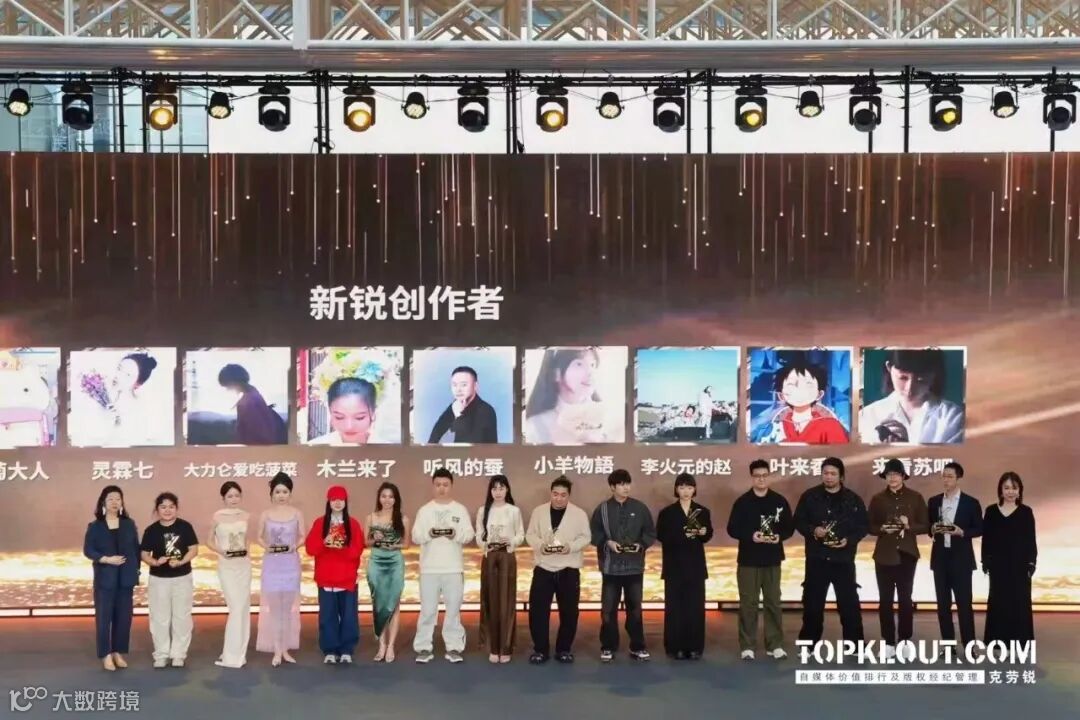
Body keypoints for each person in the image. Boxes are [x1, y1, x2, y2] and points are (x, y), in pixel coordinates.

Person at [726, 459, 795, 660]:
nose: (761, 479)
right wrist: (751, 535)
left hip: (772, 559)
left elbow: (789, 527)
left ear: (769, 476)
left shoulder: (779, 501)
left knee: (773, 602)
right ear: (752, 477)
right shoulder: (742, 502)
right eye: (757, 476)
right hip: (748, 560)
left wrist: (778, 537)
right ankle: (747, 645)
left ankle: (775, 644)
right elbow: (732, 528)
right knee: (748, 603)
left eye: (764, 475)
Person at [794, 457, 868, 643]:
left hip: (843, 560)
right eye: (825, 473)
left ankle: (855, 645)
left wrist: (848, 541)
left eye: (833, 474)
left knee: (849, 605)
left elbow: (863, 526)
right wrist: (813, 530)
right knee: (812, 605)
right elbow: (799, 521)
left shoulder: (853, 500)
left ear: (841, 477)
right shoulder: (810, 497)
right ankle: (808, 644)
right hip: (817, 559)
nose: (828, 477)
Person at [591, 468, 656, 662]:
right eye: (621, 484)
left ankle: (637, 646)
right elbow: (594, 534)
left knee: (635, 608)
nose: (625, 487)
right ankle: (608, 646)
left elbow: (650, 532)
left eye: (627, 483)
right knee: (608, 610)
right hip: (610, 568)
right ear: (612, 487)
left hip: (634, 567)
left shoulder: (640, 508)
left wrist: (640, 545)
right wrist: (607, 543)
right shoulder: (602, 509)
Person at [525, 476, 591, 664]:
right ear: (550, 493)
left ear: (569, 495)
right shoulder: (539, 511)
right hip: (543, 567)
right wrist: (540, 545)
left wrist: (570, 547)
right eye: (555, 494)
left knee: (569, 612)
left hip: (569, 568)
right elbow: (530, 535)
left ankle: (564, 649)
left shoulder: (579, 514)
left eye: (563, 495)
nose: (559, 498)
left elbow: (586, 537)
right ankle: (540, 649)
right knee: (538, 610)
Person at [868, 458, 929, 660]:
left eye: (896, 474)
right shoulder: (877, 499)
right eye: (889, 474)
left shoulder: (915, 497)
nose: (892, 478)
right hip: (884, 555)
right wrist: (882, 529)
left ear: (903, 476)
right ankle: (888, 642)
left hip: (907, 554)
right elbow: (870, 526)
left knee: (905, 600)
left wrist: (909, 525)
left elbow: (926, 525)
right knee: (885, 600)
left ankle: (904, 641)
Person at [412, 468, 475, 663]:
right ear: (433, 486)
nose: (442, 488)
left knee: (453, 609)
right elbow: (415, 536)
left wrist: (455, 534)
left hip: (453, 568)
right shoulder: (425, 510)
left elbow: (469, 534)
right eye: (438, 484)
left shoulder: (459, 509)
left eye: (445, 485)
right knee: (428, 610)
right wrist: (429, 534)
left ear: (451, 486)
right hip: (429, 569)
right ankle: (423, 647)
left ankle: (454, 647)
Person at [305, 485, 366, 665]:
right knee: (327, 615)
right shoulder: (320, 523)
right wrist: (325, 542)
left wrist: (342, 546)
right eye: (334, 499)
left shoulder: (353, 524)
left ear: (345, 502)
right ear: (329, 502)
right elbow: (310, 549)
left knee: (349, 616)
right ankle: (330, 649)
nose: (337, 502)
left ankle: (347, 649)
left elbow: (357, 550)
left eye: (341, 499)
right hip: (326, 578)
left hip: (347, 578)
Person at [656, 473, 714, 659]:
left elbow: (707, 535)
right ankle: (675, 647)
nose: (686, 491)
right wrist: (682, 533)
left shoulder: (702, 511)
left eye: (689, 487)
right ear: (676, 489)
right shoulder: (667, 512)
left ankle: (694, 647)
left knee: (695, 608)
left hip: (695, 566)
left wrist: (703, 532)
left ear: (694, 489)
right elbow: (661, 535)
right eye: (682, 487)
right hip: (674, 566)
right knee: (675, 608)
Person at [83, 485, 140, 671]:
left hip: (125, 579)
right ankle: (105, 654)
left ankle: (118, 652)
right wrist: (106, 559)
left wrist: (136, 571)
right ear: (103, 503)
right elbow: (88, 550)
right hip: (105, 579)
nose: (115, 502)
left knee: (124, 618)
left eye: (118, 499)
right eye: (110, 499)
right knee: (104, 618)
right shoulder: (95, 526)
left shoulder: (129, 524)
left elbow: (136, 549)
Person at [926, 462, 982, 652]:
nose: (946, 480)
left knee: (964, 605)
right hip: (940, 560)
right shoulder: (934, 501)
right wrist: (932, 528)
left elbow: (980, 528)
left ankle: (969, 646)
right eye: (944, 476)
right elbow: (928, 526)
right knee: (943, 606)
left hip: (962, 561)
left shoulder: (971, 503)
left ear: (958, 478)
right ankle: (948, 646)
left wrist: (962, 532)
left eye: (950, 476)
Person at [140, 492, 199, 669]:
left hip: (182, 577)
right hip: (159, 579)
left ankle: (179, 654)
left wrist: (181, 561)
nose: (167, 510)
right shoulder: (151, 530)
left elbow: (194, 549)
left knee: (182, 617)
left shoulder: (185, 527)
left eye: (171, 507)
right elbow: (144, 554)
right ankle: (161, 654)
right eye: (163, 507)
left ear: (176, 508)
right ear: (157, 509)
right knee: (159, 618)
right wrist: (155, 562)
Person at [858, 349, 965, 445]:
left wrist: (906, 446)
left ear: (934, 374)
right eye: (902, 378)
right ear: (889, 368)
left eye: (921, 380)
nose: (909, 389)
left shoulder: (953, 417)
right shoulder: (868, 415)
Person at [475, 475, 525, 663]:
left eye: (501, 488)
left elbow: (520, 535)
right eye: (494, 488)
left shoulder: (514, 511)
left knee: (506, 602)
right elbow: (479, 535)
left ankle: (506, 647)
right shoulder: (483, 511)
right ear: (490, 491)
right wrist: (486, 543)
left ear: (507, 490)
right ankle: (493, 647)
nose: (498, 492)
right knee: (490, 600)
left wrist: (510, 541)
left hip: (507, 557)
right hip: (489, 557)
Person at [982, 471, 1037, 643]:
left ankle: (1021, 642)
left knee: (1020, 603)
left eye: (1014, 488)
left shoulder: (1026, 512)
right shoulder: (991, 511)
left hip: (1020, 567)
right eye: (1006, 488)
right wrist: (986, 561)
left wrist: (1031, 563)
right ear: (1000, 490)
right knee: (998, 603)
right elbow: (986, 539)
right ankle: (997, 642)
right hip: (998, 566)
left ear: (1020, 490)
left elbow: (1031, 540)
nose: (1010, 492)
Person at [256, 472, 304, 666]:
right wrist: (266, 546)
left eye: (285, 491)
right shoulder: (265, 514)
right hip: (272, 564)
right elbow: (259, 537)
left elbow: (303, 536)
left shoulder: (297, 513)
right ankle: (277, 650)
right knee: (275, 610)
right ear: (272, 494)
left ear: (290, 493)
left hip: (290, 564)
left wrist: (295, 546)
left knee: (287, 610)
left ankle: (285, 649)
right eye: (277, 492)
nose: (281, 495)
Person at [206, 481, 252, 669]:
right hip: (226, 565)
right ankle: (231, 654)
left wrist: (247, 552)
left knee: (243, 607)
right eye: (230, 496)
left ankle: (239, 651)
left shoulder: (246, 516)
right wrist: (222, 551)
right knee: (236, 607)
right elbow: (209, 541)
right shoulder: (217, 516)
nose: (234, 499)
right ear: (223, 498)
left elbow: (247, 540)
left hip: (243, 565)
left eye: (236, 495)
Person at [525, 348, 611, 444]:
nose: (590, 372)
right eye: (579, 364)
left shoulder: (608, 418)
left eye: (592, 365)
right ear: (556, 374)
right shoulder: (537, 425)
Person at [753, 358, 849, 445]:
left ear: (819, 394)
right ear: (781, 395)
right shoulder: (773, 428)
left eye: (808, 384)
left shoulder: (831, 425)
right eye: (791, 384)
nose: (800, 390)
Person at [366, 482, 410, 663]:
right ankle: (381, 645)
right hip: (376, 562)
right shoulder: (371, 517)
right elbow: (366, 542)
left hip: (394, 562)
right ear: (379, 498)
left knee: (394, 605)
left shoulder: (403, 519)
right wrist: (375, 539)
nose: (387, 500)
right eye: (384, 496)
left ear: (396, 499)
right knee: (378, 603)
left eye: (391, 496)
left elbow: (406, 544)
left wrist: (395, 545)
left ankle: (391, 646)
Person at [218, 363, 287, 445]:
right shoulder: (254, 396)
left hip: (255, 450)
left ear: (233, 382)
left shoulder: (249, 402)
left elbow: (259, 436)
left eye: (227, 386)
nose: (227, 389)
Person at [427, 366, 499, 444]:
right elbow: (434, 436)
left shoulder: (486, 411)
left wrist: (459, 416)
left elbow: (470, 444)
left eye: (463, 385)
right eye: (454, 385)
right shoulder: (456, 405)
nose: (458, 389)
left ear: (475, 386)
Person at [108, 352, 163, 446]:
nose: (118, 376)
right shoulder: (105, 394)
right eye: (119, 369)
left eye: (128, 375)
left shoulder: (138, 411)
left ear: (137, 384)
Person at [309, 377, 378, 445]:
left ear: (373, 414)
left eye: (359, 418)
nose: (349, 427)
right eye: (339, 417)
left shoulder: (383, 448)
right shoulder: (314, 448)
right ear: (330, 413)